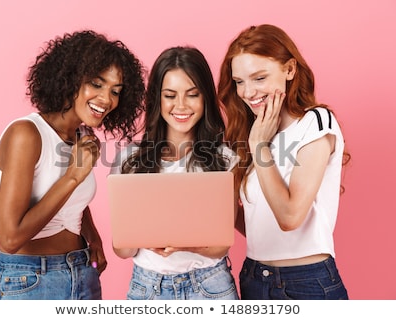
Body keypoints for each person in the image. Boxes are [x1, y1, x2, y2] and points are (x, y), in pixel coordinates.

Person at [0, 30, 146, 300]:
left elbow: (73, 203)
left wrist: (93, 237)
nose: (107, 99)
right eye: (96, 84)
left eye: (115, 91)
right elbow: (10, 238)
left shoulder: (82, 138)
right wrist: (73, 175)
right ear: (71, 78)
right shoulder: (27, 134)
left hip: (82, 271)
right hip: (29, 280)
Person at [217, 24, 350, 300]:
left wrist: (259, 147)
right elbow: (254, 220)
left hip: (307, 281)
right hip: (254, 278)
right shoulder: (251, 131)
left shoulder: (315, 123)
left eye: (259, 78)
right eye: (239, 81)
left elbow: (290, 217)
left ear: (289, 70)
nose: (248, 92)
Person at [110, 46, 239, 300]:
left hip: (210, 285)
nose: (181, 106)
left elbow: (221, 245)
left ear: (205, 99)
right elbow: (122, 250)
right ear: (157, 99)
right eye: (170, 95)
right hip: (148, 287)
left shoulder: (225, 158)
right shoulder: (130, 159)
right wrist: (147, 238)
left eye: (192, 95)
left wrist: (183, 244)